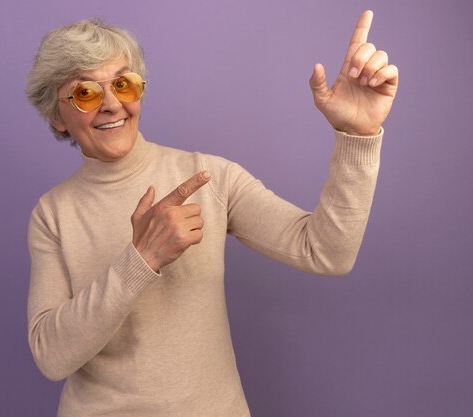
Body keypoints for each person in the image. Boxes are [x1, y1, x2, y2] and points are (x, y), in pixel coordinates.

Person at [25, 10, 398, 417]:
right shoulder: (52, 214)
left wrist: (357, 136)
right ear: (56, 117)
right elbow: (52, 357)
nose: (112, 105)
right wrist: (141, 259)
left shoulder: (209, 177)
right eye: (85, 93)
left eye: (122, 84)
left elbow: (327, 252)